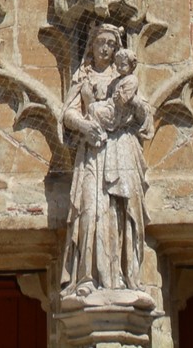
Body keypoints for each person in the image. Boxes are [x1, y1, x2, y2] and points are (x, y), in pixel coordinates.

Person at [61, 25, 152, 298]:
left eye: (110, 44)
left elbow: (145, 116)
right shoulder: (84, 76)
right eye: (100, 42)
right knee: (90, 210)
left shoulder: (125, 78)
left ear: (117, 49)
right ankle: (87, 277)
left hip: (121, 150)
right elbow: (68, 113)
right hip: (92, 152)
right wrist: (84, 126)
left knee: (120, 211)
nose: (105, 49)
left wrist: (134, 104)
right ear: (91, 44)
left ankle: (123, 277)